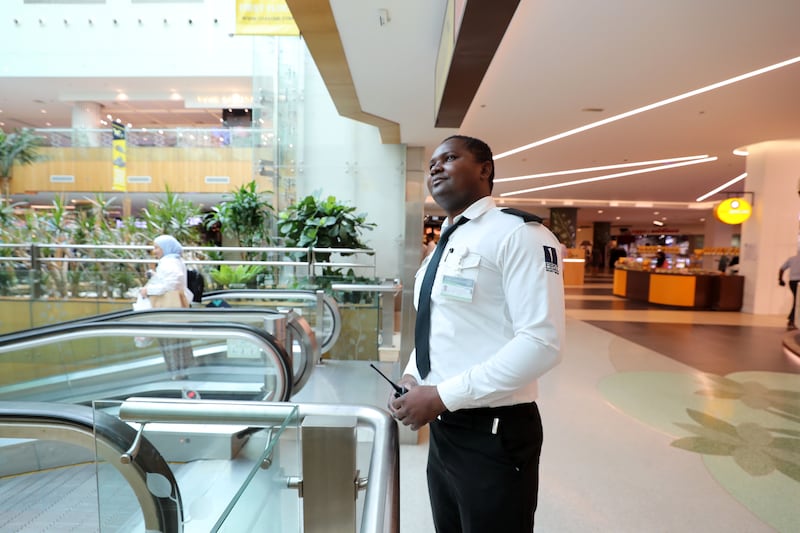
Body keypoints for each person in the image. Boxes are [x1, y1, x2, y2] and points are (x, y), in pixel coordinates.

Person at [389, 135, 565, 532]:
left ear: (485, 169)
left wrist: (440, 395)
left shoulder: (520, 235)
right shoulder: (445, 243)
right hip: (445, 427)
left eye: (449, 158)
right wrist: (413, 377)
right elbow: (436, 326)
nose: (435, 167)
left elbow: (542, 342)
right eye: (431, 162)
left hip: (495, 432)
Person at [140, 235, 195, 377]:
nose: (155, 251)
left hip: (168, 310)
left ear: (166, 247)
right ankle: (182, 373)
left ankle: (176, 374)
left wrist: (149, 290)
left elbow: (173, 283)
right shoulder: (175, 260)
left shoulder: (169, 262)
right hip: (177, 308)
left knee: (169, 342)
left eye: (157, 247)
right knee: (179, 342)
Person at [778, 250, 800, 329]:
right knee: (797, 301)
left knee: (797, 300)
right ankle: (792, 319)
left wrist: (780, 280)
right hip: (799, 283)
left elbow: (781, 269)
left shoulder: (791, 259)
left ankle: (792, 319)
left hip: (792, 282)